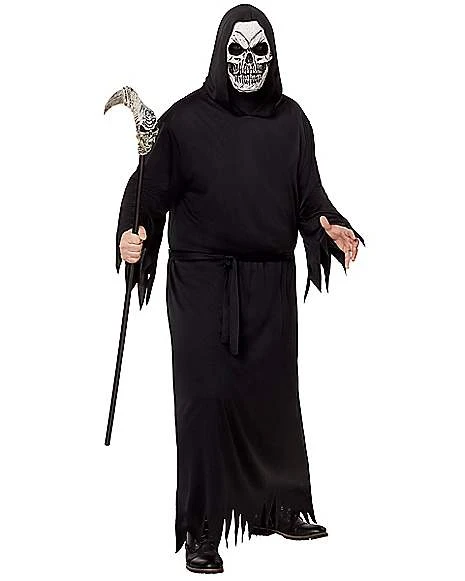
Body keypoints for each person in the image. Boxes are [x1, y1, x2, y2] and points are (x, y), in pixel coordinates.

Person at [116, 4, 364, 574]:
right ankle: (203, 528)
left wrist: (330, 227)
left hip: (270, 285)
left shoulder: (291, 121)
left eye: (259, 51)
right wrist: (136, 236)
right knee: (204, 402)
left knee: (273, 396)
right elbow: (146, 194)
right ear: (219, 54)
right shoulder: (183, 121)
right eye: (237, 50)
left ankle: (280, 506)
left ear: (272, 57)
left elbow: (309, 198)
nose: (248, 62)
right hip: (203, 285)